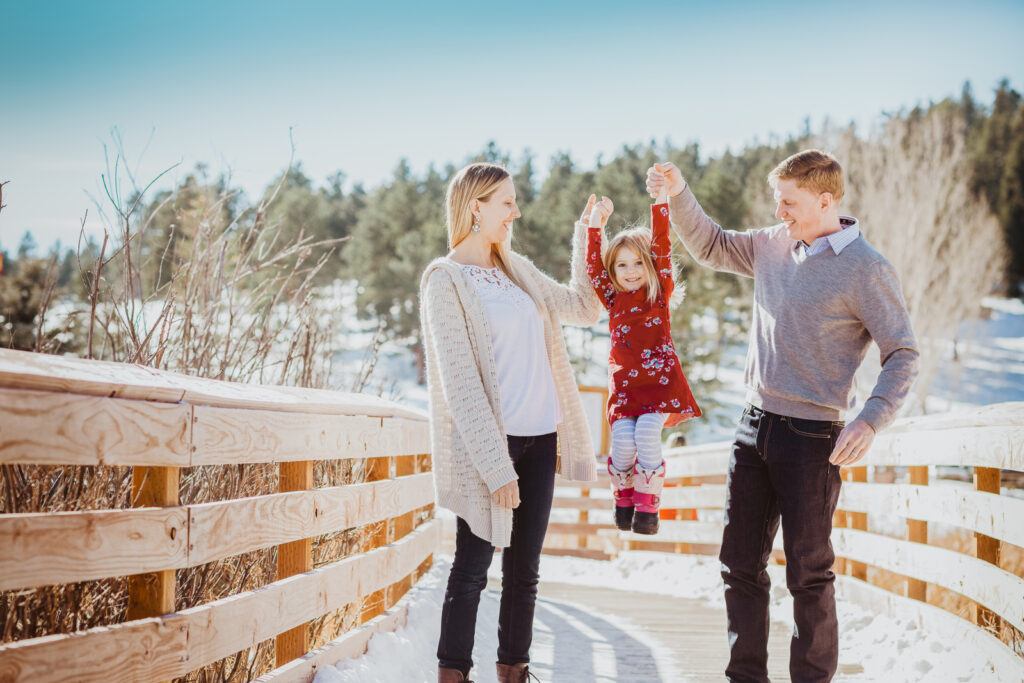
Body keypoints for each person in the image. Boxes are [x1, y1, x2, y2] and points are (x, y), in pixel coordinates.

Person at [646, 150, 919, 683]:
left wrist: (871, 419)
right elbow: (710, 244)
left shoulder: (867, 268)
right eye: (778, 202)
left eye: (789, 202)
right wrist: (679, 192)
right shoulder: (774, 244)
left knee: (808, 574)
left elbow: (903, 352)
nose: (781, 212)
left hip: (812, 439)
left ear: (826, 200)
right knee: (739, 565)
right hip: (753, 427)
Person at [420, 162, 603, 683]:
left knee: (524, 575)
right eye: (507, 202)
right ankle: (453, 673)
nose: (516, 212)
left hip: (542, 439)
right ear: (476, 205)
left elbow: (587, 308)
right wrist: (497, 467)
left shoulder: (514, 268)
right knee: (472, 569)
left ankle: (514, 672)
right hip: (490, 448)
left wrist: (589, 235)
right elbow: (460, 384)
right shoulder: (445, 280)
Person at [584, 194, 700, 535]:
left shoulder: (658, 293)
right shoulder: (612, 297)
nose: (631, 271)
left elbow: (662, 245)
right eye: (622, 265)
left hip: (660, 384)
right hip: (625, 389)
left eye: (638, 263)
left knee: (648, 433)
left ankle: (648, 507)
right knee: (622, 441)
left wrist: (660, 202)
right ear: (613, 270)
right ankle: (623, 498)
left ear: (649, 265)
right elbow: (593, 267)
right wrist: (595, 224)